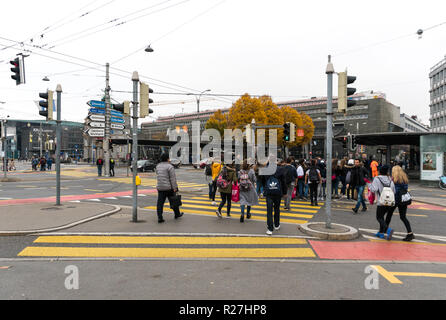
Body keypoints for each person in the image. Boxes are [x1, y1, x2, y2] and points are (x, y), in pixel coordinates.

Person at [155, 153, 184, 223]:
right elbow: (173, 179)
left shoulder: (158, 166)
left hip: (160, 187)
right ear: (168, 159)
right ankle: (177, 214)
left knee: (160, 203)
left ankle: (160, 217)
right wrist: (175, 188)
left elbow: (158, 174)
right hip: (169, 188)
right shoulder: (170, 167)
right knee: (174, 201)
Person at [369, 166, 395, 240]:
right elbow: (394, 190)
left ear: (379, 171)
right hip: (389, 202)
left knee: (379, 217)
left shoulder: (377, 179)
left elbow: (374, 189)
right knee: (382, 217)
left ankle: (388, 230)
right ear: (387, 172)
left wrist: (369, 186)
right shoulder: (390, 179)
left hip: (381, 202)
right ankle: (381, 233)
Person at [263, 159, 287, 235]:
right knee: (277, 208)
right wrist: (284, 192)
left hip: (269, 192)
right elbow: (283, 182)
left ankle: (270, 228)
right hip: (278, 192)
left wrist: (265, 190)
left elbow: (263, 181)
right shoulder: (280, 169)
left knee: (269, 210)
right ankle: (276, 224)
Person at [391, 165, 415, 241]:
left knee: (388, 214)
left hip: (396, 200)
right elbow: (405, 188)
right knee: (403, 217)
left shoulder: (394, 180)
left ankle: (384, 231)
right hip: (403, 200)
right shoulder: (404, 178)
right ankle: (410, 233)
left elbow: (395, 191)